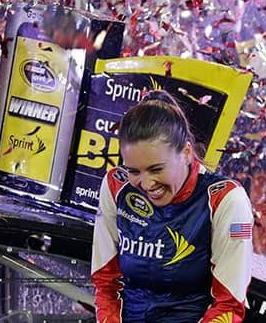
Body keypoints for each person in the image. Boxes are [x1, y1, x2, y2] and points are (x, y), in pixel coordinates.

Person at [92, 91, 253, 323]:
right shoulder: (115, 186)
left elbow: (229, 305)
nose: (146, 184)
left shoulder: (227, 199)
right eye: (134, 171)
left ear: (186, 153)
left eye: (157, 169)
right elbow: (105, 283)